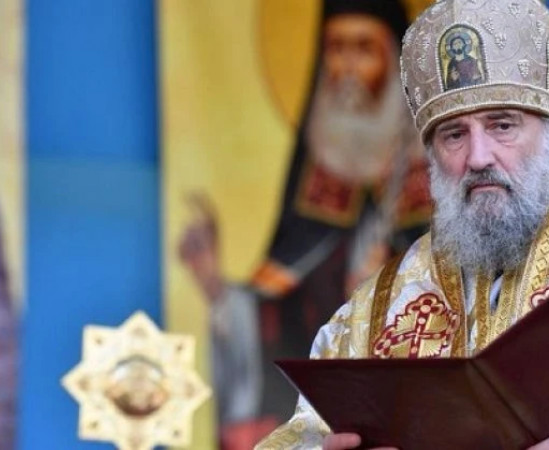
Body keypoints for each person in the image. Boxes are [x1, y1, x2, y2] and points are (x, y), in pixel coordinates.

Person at [256, 0, 549, 448]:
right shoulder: (378, 309)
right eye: (454, 134)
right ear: (430, 156)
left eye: (502, 126)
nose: (478, 157)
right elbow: (298, 436)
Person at [180, 2, 432, 447]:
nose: (347, 66)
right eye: (336, 47)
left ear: (395, 62)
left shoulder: (431, 184)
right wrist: (216, 288)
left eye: (364, 48)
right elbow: (271, 314)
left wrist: (392, 289)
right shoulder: (313, 185)